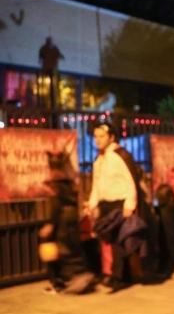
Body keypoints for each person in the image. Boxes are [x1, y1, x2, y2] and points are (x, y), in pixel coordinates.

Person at [87, 122, 148, 292]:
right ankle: (118, 274)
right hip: (106, 203)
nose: (97, 140)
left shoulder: (119, 155)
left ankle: (119, 276)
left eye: (101, 136)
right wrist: (93, 203)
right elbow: (96, 184)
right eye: (96, 136)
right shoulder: (99, 159)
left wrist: (129, 203)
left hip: (119, 203)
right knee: (110, 240)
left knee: (119, 241)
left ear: (111, 137)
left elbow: (130, 180)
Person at [40, 150, 93, 294]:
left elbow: (56, 204)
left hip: (61, 221)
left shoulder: (55, 181)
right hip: (70, 221)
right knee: (70, 250)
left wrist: (51, 223)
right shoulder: (69, 181)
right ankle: (74, 278)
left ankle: (60, 283)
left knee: (58, 253)